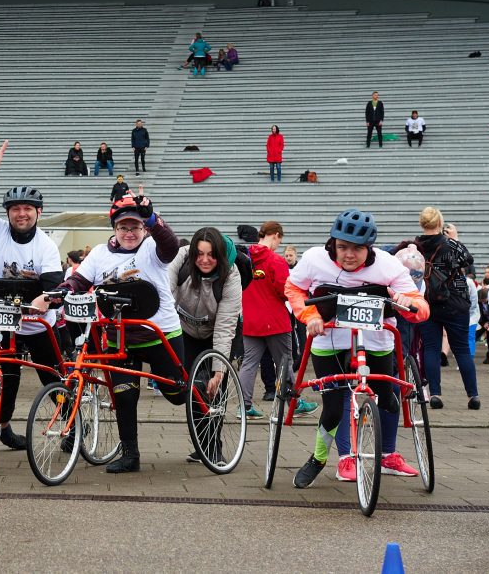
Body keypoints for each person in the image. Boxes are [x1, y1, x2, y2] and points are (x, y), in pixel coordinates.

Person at [31, 194, 184, 473]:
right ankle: (130, 455)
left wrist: (152, 218)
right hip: (119, 338)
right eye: (123, 227)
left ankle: (207, 394)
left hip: (159, 332)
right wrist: (57, 294)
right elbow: (79, 280)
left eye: (135, 227)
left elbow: (170, 246)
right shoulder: (101, 253)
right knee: (124, 395)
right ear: (114, 228)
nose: (129, 233)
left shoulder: (152, 246)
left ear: (144, 228)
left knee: (176, 393)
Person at [285, 208, 429, 488]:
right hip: (329, 338)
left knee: (387, 397)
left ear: (370, 248)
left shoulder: (387, 265)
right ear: (333, 244)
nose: (348, 254)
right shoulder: (314, 259)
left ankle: (385, 448)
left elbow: (421, 308)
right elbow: (293, 290)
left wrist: (405, 301)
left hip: (376, 339)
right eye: (342, 247)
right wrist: (310, 316)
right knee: (332, 408)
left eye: (357, 249)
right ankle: (319, 458)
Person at [0, 138, 64, 450]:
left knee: (53, 372)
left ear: (38, 212)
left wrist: (44, 300)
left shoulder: (45, 245)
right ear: (8, 213)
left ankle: (70, 422)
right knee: (8, 374)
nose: (21, 214)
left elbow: (55, 285)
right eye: (15, 209)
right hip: (2, 319)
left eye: (27, 209)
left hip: (36, 322)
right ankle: (3, 427)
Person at [168, 226, 242, 463]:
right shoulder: (181, 259)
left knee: (214, 390)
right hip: (184, 329)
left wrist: (219, 371)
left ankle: (213, 447)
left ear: (219, 256)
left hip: (216, 332)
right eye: (199, 254)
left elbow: (225, 326)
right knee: (193, 389)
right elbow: (166, 294)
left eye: (211, 255)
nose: (204, 260)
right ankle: (203, 445)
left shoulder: (231, 275)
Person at [239, 221, 317, 419]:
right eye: (279, 240)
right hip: (275, 321)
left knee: (248, 364)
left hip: (251, 320)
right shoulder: (276, 261)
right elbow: (285, 292)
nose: (278, 245)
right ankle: (294, 402)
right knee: (285, 362)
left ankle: (244, 406)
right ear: (275, 235)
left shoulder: (245, 258)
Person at [414, 206, 480, 410]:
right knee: (461, 349)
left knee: (431, 349)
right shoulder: (450, 244)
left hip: (427, 302)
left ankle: (435, 394)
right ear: (440, 223)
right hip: (454, 301)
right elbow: (468, 261)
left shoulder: (414, 247)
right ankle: (473, 396)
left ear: (422, 223)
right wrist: (455, 237)